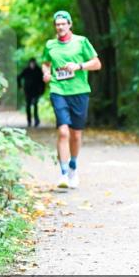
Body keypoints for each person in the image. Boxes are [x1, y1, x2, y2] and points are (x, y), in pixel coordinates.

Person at [41, 11, 101, 189]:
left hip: (79, 91)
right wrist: (46, 72)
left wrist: (79, 66)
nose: (60, 27)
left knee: (75, 134)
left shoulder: (81, 42)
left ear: (69, 25)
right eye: (57, 24)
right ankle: (63, 173)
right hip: (58, 91)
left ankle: (73, 166)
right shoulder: (50, 45)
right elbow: (46, 63)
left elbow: (97, 63)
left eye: (63, 24)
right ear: (55, 27)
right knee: (63, 132)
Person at [17, 58, 45, 127]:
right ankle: (29, 121)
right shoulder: (26, 70)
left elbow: (43, 81)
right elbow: (18, 77)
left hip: (36, 91)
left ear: (35, 63)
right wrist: (20, 86)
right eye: (31, 63)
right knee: (28, 106)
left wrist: (42, 90)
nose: (32, 65)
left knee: (35, 105)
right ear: (29, 63)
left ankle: (36, 120)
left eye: (33, 63)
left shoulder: (38, 70)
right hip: (28, 91)